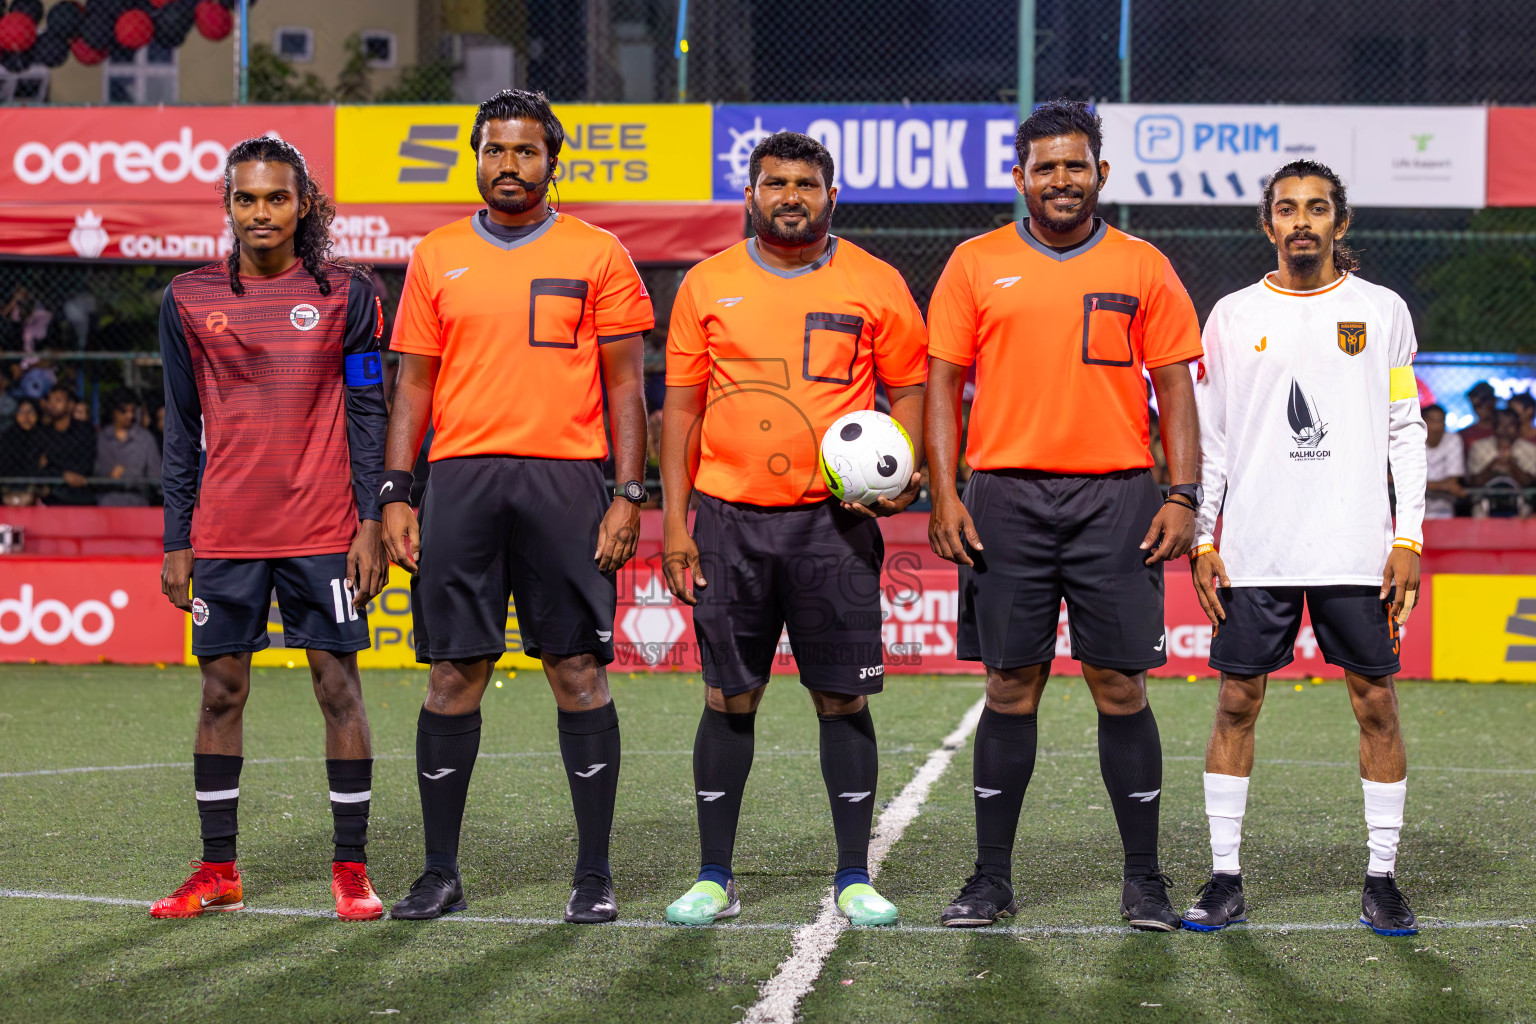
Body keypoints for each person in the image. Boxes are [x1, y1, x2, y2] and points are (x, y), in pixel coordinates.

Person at [925, 100, 1203, 931]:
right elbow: (941, 384)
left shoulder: (1144, 265)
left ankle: (1145, 880)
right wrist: (945, 491)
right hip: (1004, 497)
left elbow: (1177, 391)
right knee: (1010, 685)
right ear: (1020, 178)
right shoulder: (975, 263)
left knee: (1120, 685)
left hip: (1117, 497)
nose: (1060, 180)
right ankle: (990, 880)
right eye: (1044, 167)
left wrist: (1182, 493)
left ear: (1101, 174)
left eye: (1075, 165)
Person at [381, 89, 653, 924]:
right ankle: (438, 872)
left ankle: (595, 874)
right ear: (476, 157)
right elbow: (413, 387)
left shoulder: (600, 253)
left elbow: (627, 388)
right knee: (452, 674)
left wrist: (627, 493)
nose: (510, 165)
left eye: (526, 151)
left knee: (577, 670)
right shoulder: (436, 255)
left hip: (567, 482)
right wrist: (396, 492)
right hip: (460, 480)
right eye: (496, 150)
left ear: (551, 161)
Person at [658, 131, 928, 928]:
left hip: (832, 528)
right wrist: (675, 522)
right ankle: (714, 876)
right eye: (775, 181)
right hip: (729, 523)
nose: (790, 195)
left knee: (840, 698)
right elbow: (680, 411)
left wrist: (904, 472)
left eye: (806, 183)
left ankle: (852, 876)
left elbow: (908, 388)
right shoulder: (707, 284)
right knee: (727, 694)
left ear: (831, 196)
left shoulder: (876, 284)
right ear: (750, 194)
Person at [1185, 160, 1427, 936]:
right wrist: (1202, 536)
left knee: (1377, 706)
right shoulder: (1227, 316)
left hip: (1357, 550)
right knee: (1235, 703)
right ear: (1267, 225)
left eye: (1316, 209)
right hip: (1256, 550)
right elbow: (1212, 439)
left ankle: (1382, 878)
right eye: (1286, 209)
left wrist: (1408, 535)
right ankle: (1225, 878)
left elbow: (1404, 430)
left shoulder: (1381, 311)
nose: (1301, 222)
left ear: (1340, 224)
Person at [151, 136, 389, 922]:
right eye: (247, 198)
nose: (261, 212)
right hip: (224, 533)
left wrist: (370, 520)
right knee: (221, 693)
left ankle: (350, 869)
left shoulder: (349, 294)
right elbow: (179, 427)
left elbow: (367, 412)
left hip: (324, 530)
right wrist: (176, 537)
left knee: (337, 688)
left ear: (303, 204)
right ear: (228, 204)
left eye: (276, 198)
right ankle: (218, 868)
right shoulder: (186, 298)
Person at [1466, 408, 1536, 518]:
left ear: (1518, 427)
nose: (1505, 429)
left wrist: (1511, 463)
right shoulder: (1478, 448)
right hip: (1485, 503)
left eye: (1510, 425)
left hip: (1521, 503)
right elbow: (1475, 482)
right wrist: (1493, 464)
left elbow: (1528, 483)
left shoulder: (1530, 449)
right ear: (1494, 428)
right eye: (1501, 425)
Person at [95, 394, 162, 506]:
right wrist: (109, 477)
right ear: (113, 412)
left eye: (132, 411)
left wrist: (137, 479)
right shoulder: (103, 438)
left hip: (138, 499)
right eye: (124, 411)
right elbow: (96, 471)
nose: (129, 415)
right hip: (108, 499)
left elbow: (156, 473)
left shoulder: (145, 438)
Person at [37, 384, 96, 505]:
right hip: (53, 495)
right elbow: (38, 466)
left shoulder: (84, 431)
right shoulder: (43, 433)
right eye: (50, 400)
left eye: (58, 400)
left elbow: (87, 462)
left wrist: (52, 465)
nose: (52, 404)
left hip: (82, 494)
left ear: (70, 405)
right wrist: (62, 475)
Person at [1422, 404, 1465, 520]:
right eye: (1432, 421)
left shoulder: (1453, 440)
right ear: (1422, 421)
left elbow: (1452, 481)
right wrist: (1442, 486)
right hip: (1412, 510)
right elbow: (1403, 480)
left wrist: (1422, 485)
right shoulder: (1412, 441)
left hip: (1444, 510)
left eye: (1440, 421)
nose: (1437, 427)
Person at [0, 397, 43, 504]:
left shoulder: (44, 438)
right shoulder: (7, 437)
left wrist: (31, 491)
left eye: (30, 412)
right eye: (21, 412)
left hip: (33, 488)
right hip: (7, 488)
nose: (26, 416)